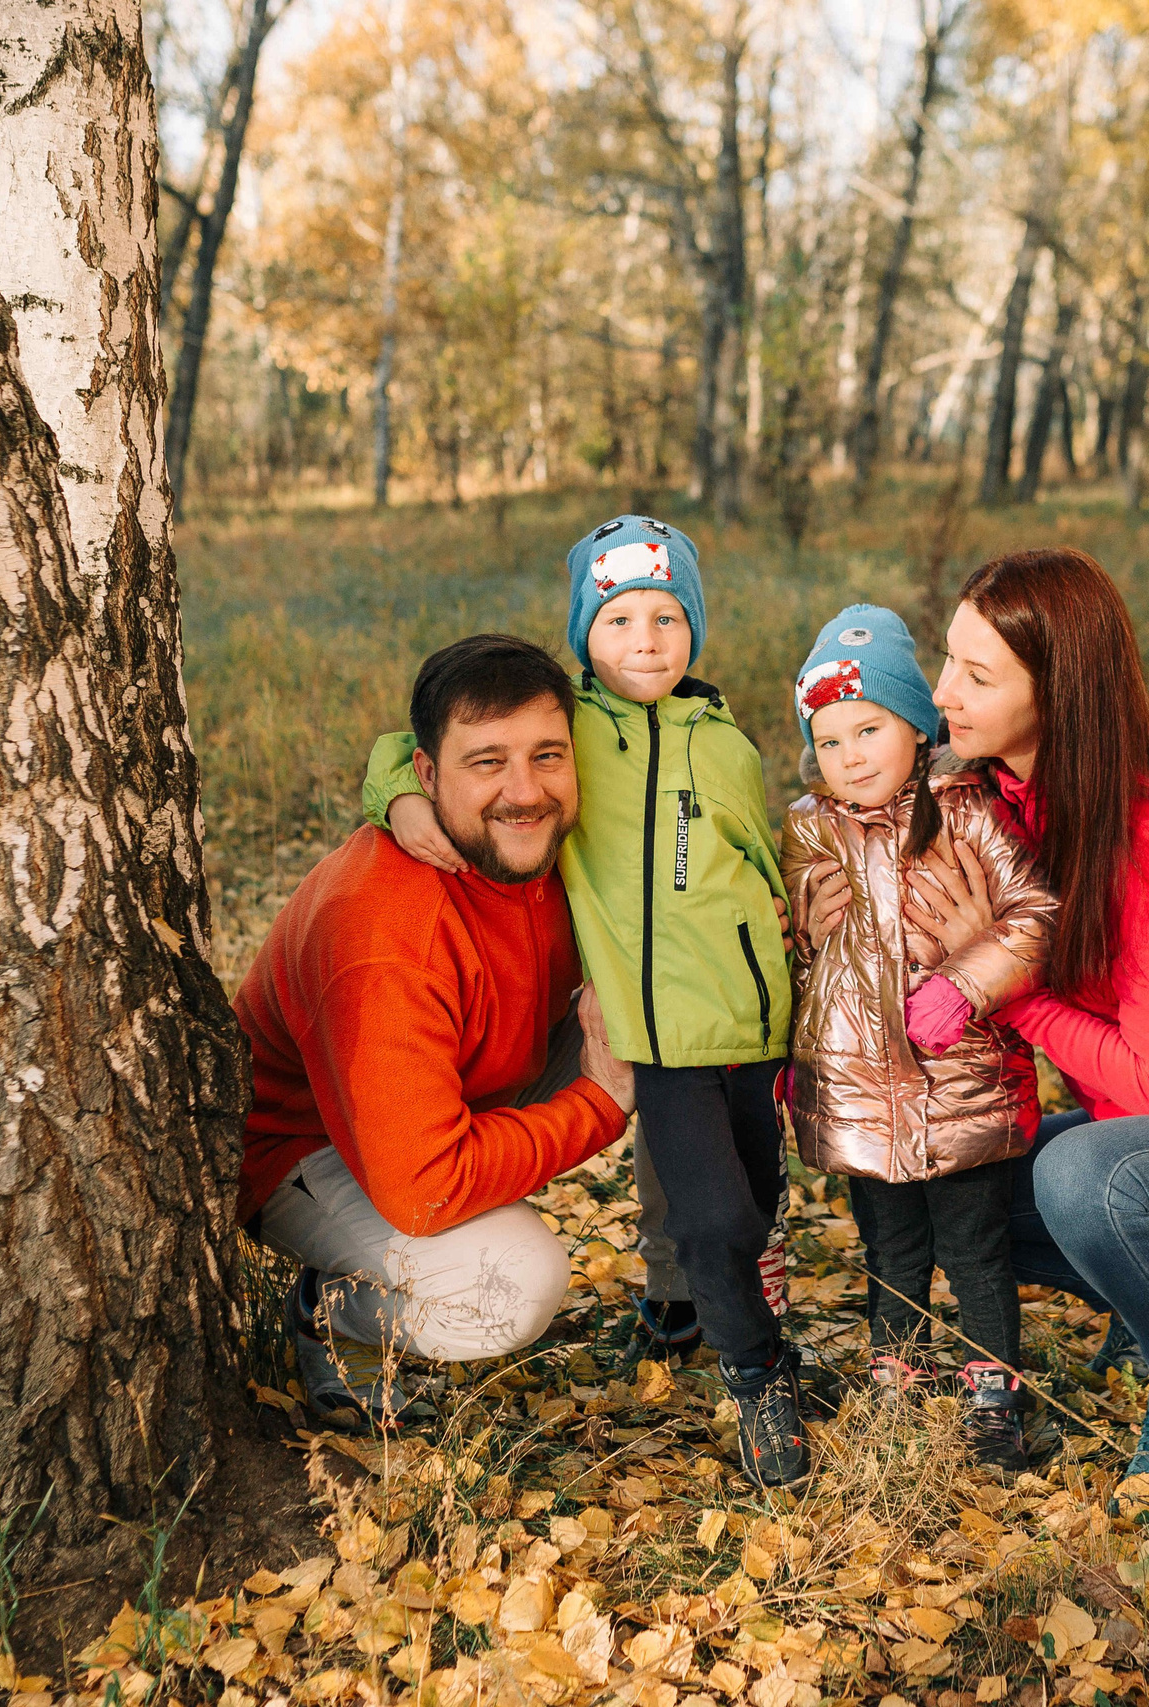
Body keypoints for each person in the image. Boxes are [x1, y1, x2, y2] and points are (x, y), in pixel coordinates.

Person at [806, 547, 1149, 1514]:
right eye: (948, 660)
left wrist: (995, 983)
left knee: (1075, 1174)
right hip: (1146, 1143)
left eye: (978, 675)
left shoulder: (1148, 841)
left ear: (1056, 691)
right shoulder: (998, 806)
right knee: (953, 1176)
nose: (944, 692)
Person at [360, 517, 809, 1485]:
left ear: (695, 627)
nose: (644, 640)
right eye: (617, 620)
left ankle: (700, 1314)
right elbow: (416, 741)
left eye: (666, 617)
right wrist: (399, 793)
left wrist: (783, 933)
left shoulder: (726, 743)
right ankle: (756, 1374)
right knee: (713, 1217)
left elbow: (761, 856)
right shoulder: (572, 730)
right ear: (583, 635)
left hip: (744, 1020)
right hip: (653, 1031)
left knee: (755, 1207)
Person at [235, 634, 638, 1432]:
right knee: (510, 1288)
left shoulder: (550, 839)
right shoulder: (386, 934)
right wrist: (599, 1102)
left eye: (547, 755)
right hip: (310, 1147)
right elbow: (425, 1186)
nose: (525, 791)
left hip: (457, 1081)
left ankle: (691, 1299)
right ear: (425, 774)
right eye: (486, 762)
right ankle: (332, 1309)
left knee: (673, 1013)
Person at [778, 606, 1058, 1470]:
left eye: (869, 729)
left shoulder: (968, 812)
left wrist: (965, 984)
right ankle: (897, 1378)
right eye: (829, 741)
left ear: (916, 727)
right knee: (890, 1245)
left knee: (974, 1246)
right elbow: (799, 948)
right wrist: (799, 1044)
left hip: (961, 1082)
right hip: (862, 1093)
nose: (851, 755)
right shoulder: (809, 826)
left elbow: (1035, 915)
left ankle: (992, 1392)